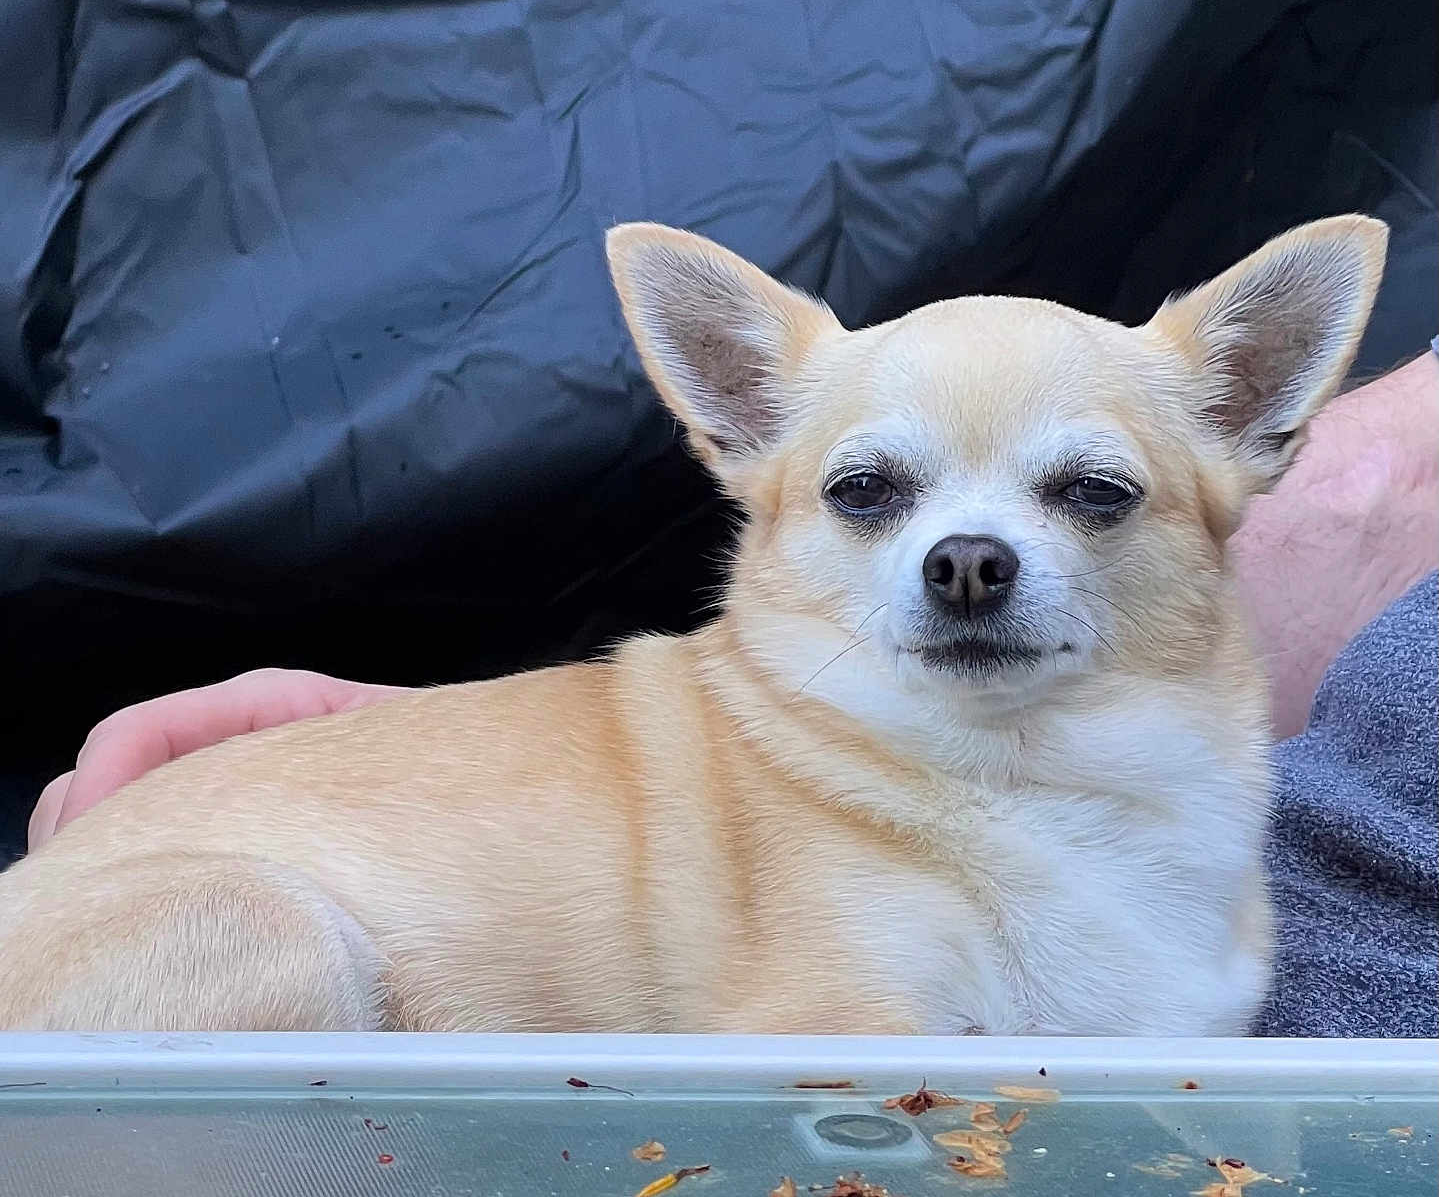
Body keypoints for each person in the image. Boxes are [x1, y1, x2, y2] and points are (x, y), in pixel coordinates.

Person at [26, 353, 1439, 1037]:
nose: (969, 554)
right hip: (175, 959)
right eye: (872, 496)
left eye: (1087, 492)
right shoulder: (814, 825)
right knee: (263, 949)